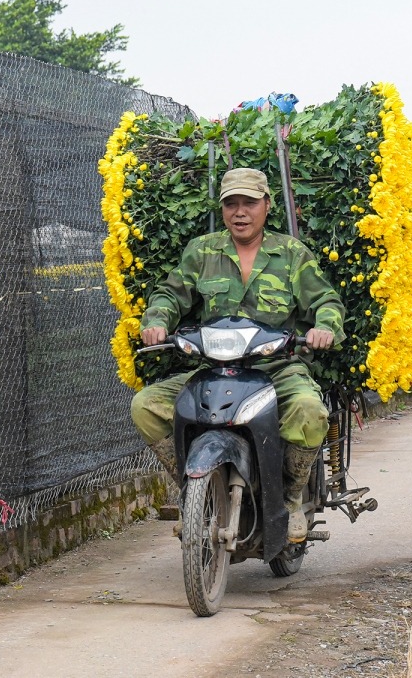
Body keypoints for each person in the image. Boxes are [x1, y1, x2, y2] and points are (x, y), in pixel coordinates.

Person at [131, 167, 345, 544]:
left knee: (310, 412)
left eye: (249, 202)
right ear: (223, 208)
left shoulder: (291, 254)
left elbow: (326, 300)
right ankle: (193, 494)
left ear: (267, 205)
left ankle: (292, 499)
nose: (240, 212)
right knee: (146, 405)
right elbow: (169, 295)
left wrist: (324, 328)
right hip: (213, 370)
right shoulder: (202, 251)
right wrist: (157, 321)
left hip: (276, 368)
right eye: (231, 203)